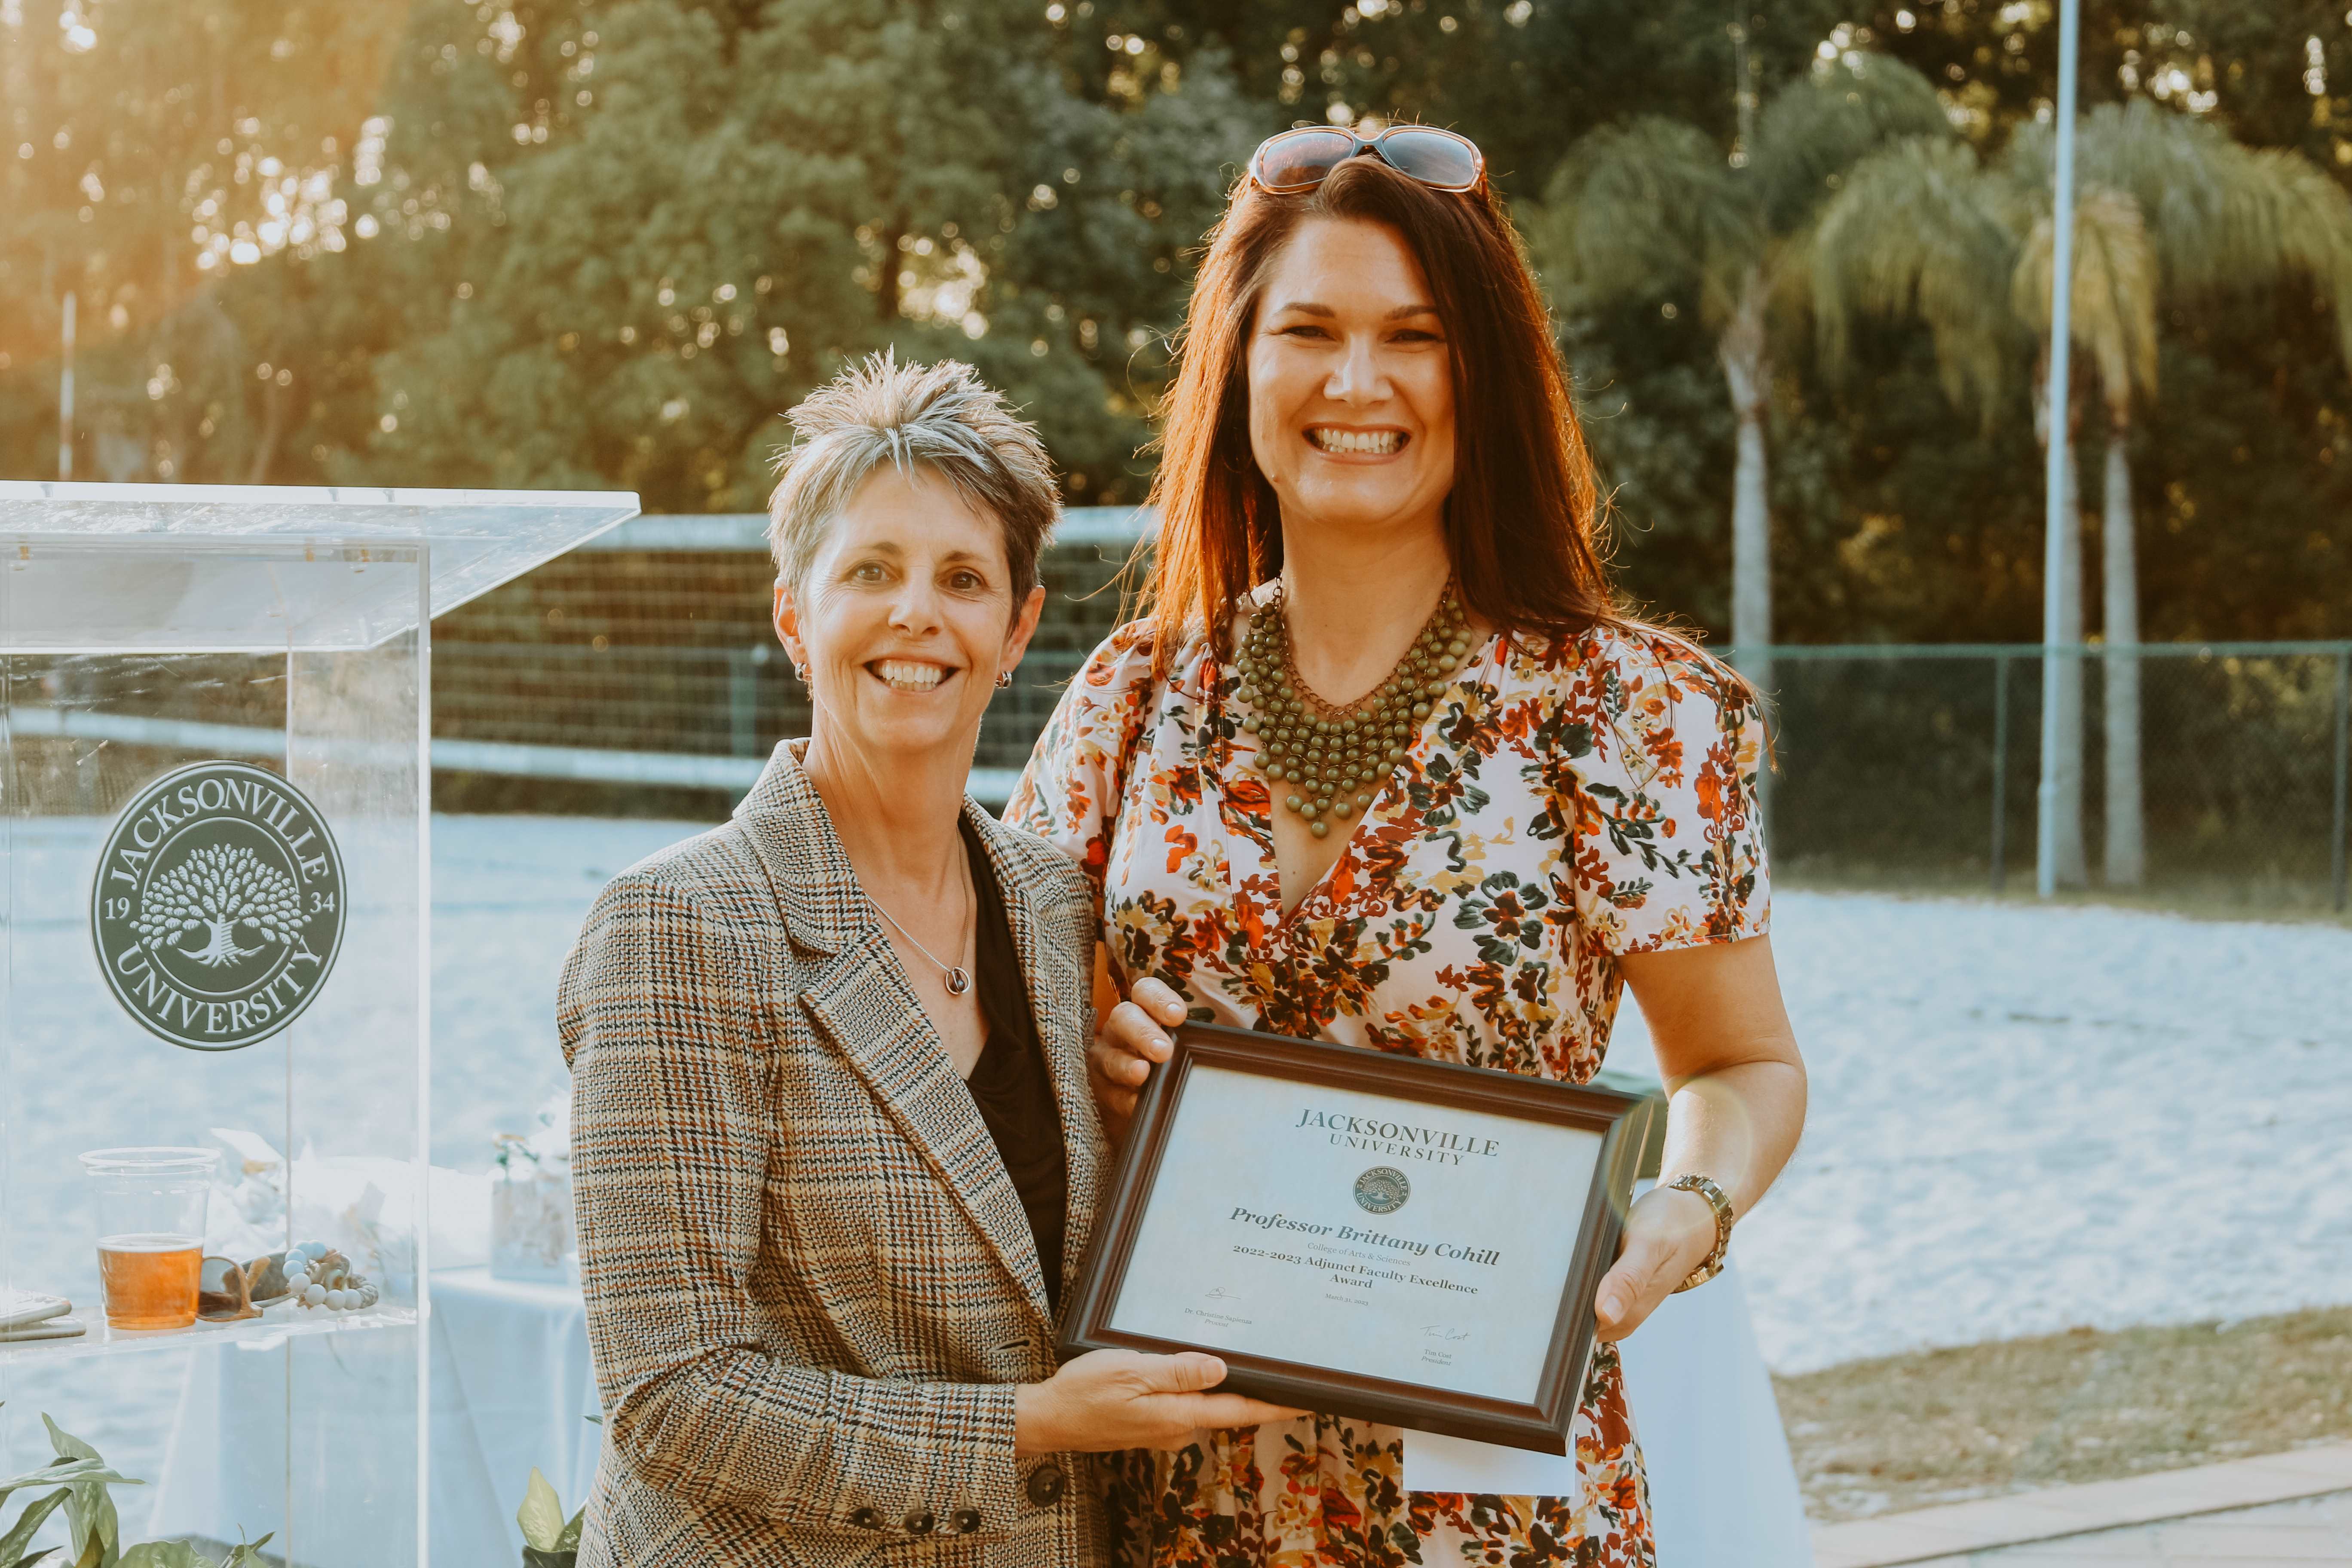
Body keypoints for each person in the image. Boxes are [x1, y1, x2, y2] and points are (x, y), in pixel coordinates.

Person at [1006, 126, 1808, 1565]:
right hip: (1177, 1493)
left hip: (1488, 1497)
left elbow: (1741, 1065)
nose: (1356, 383)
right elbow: (997, 1040)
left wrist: (1692, 1203)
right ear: (1241, 369)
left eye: (1413, 338)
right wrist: (1095, 1050)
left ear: (1480, 374)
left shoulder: (1635, 714)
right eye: (1308, 331)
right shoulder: (1129, 697)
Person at [561, 353, 1291, 1568]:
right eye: (870, 573)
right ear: (795, 615)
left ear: (1017, 631)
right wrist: (1029, 1426)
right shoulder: (676, 927)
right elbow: (670, 1394)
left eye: (962, 578)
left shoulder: (1060, 909)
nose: (917, 614)